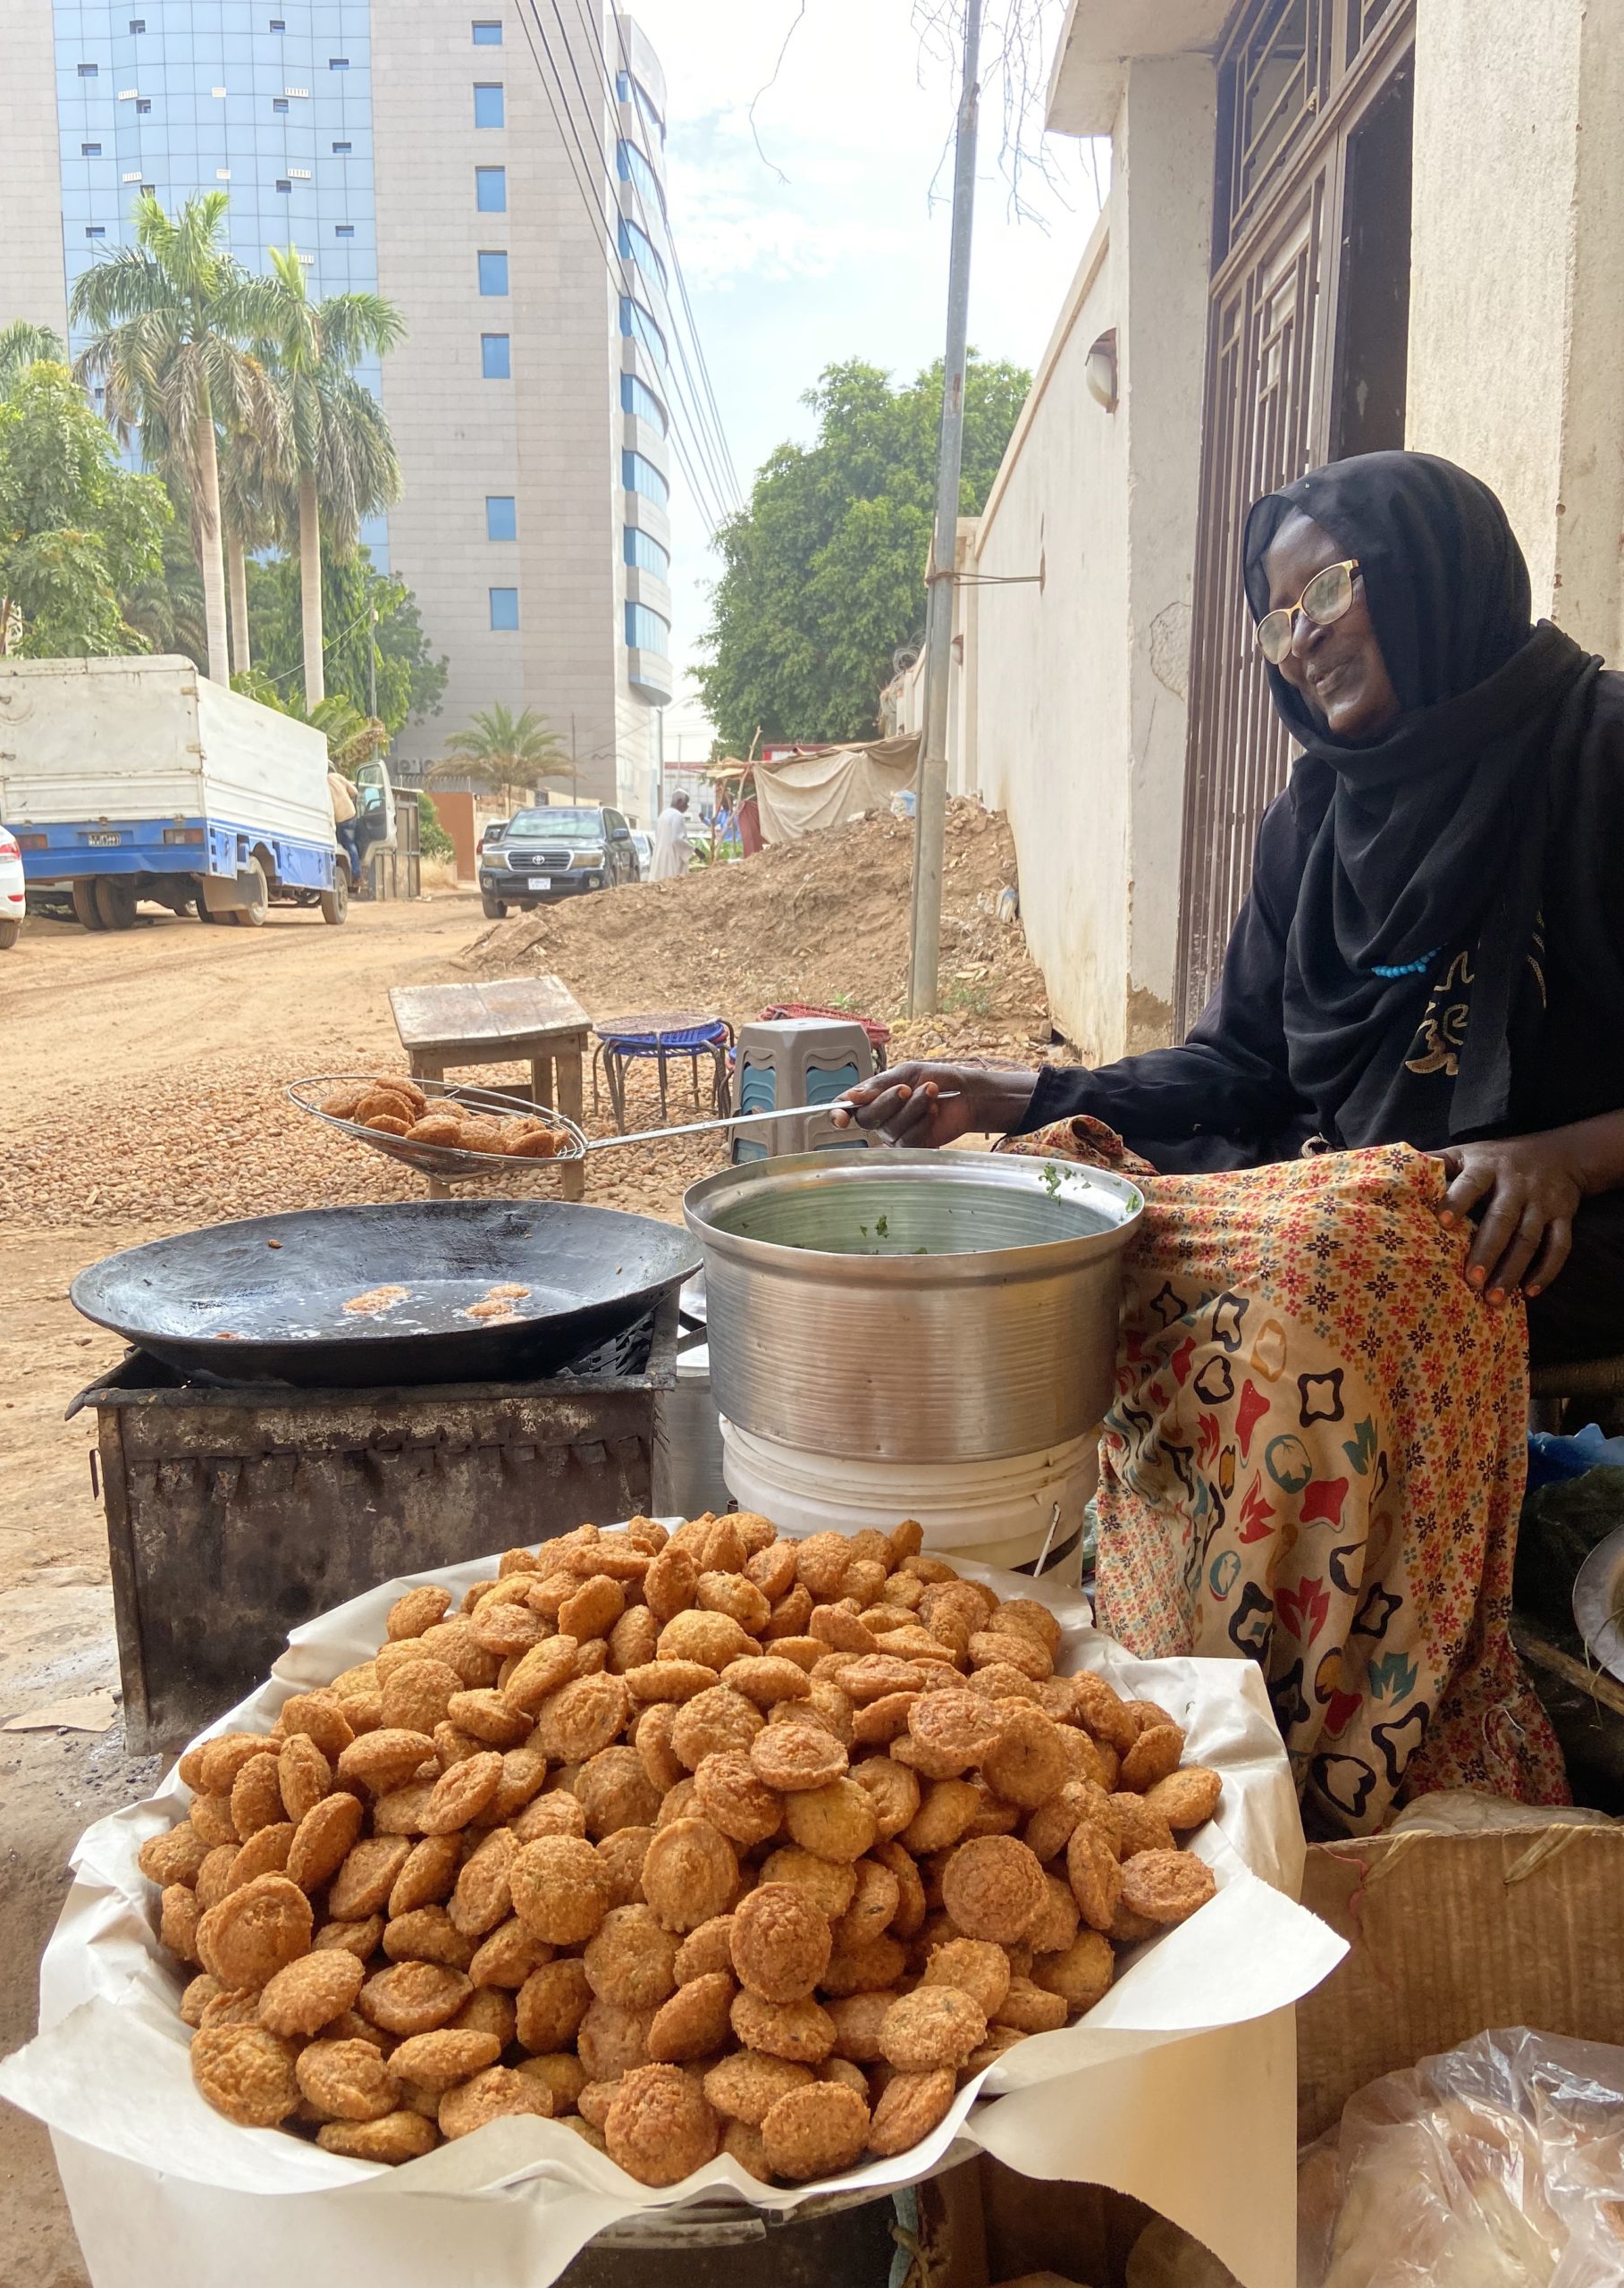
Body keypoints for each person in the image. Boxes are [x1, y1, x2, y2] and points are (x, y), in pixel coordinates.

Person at [838, 451, 1624, 1836]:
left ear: (1433, 569)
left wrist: (1569, 1149)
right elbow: (1242, 1069)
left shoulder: (1599, 750)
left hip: (1560, 1218)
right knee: (1104, 1219)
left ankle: (1355, 1753)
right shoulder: (1318, 817)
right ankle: (1194, 1688)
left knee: (1314, 1266)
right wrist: (1018, 1093)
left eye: (1330, 584)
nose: (1302, 630)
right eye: (1277, 612)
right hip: (1365, 1206)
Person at [649, 788, 692, 882]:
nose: (687, 806)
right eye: (687, 803)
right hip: (672, 858)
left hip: (660, 855)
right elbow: (677, 839)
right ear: (680, 801)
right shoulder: (678, 816)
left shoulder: (663, 815)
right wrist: (693, 850)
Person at [327, 767, 360, 879]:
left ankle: (355, 874)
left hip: (340, 819)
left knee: (344, 845)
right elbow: (355, 792)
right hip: (351, 814)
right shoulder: (338, 777)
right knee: (351, 844)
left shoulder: (322, 782)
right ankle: (356, 874)